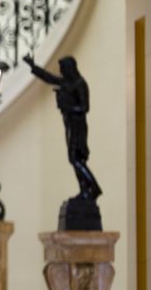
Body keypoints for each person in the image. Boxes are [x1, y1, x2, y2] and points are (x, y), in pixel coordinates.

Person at [23, 54, 102, 200]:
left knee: (76, 158)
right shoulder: (67, 82)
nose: (61, 72)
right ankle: (85, 190)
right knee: (75, 159)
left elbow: (85, 107)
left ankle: (93, 186)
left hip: (77, 124)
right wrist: (33, 66)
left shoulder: (79, 83)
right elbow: (49, 78)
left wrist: (67, 105)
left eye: (63, 69)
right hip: (69, 123)